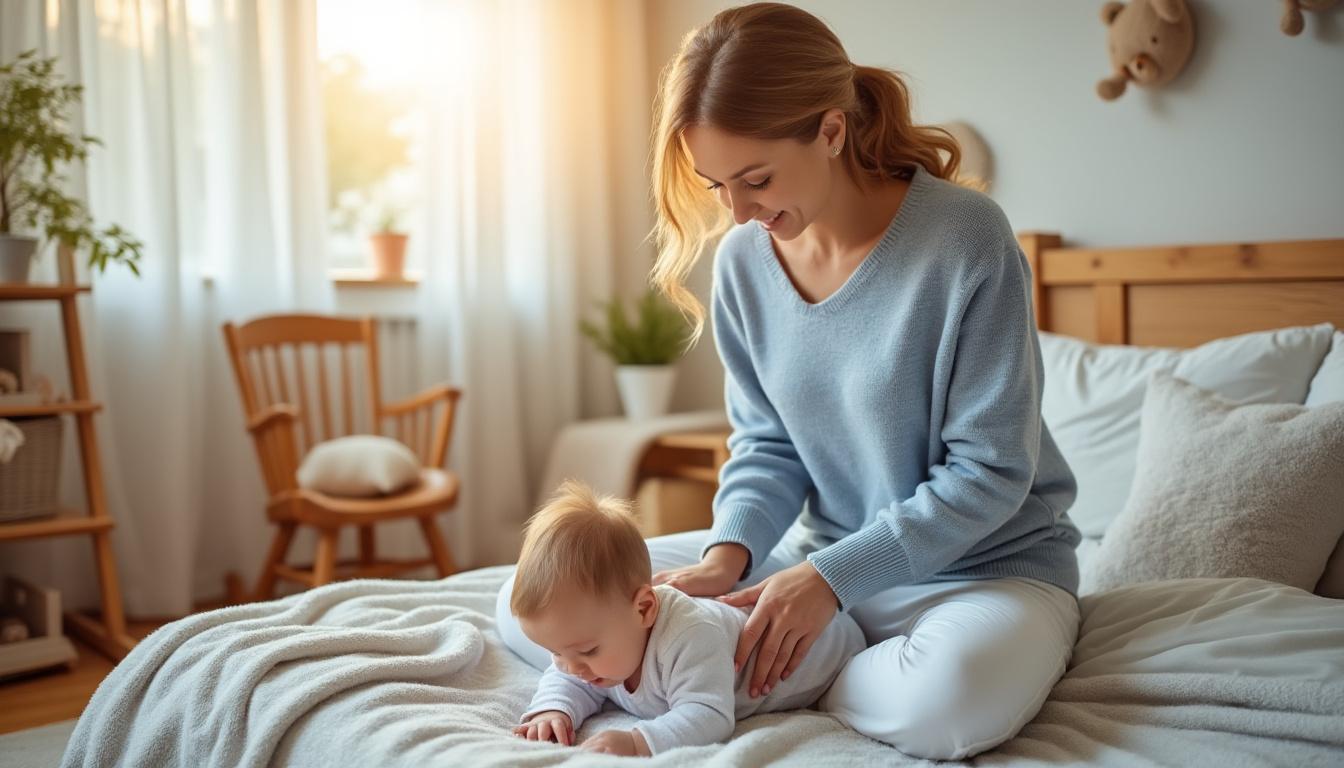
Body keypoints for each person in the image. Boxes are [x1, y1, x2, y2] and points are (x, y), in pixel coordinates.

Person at [502, 2, 1083, 759]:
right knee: (523, 609)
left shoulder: (966, 239)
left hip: (979, 574)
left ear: (831, 130)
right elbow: (767, 445)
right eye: (716, 185)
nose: (739, 211)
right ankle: (769, 674)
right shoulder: (745, 261)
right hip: (804, 568)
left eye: (756, 178)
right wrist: (727, 559)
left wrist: (830, 581)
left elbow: (991, 472)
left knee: (947, 702)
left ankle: (781, 679)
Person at [506, 480, 865, 757]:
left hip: (833, 647)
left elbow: (709, 715)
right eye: (556, 651)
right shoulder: (600, 640)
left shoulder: (690, 636)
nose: (572, 668)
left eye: (586, 651)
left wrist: (638, 742)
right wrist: (553, 710)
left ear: (644, 610)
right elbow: (571, 679)